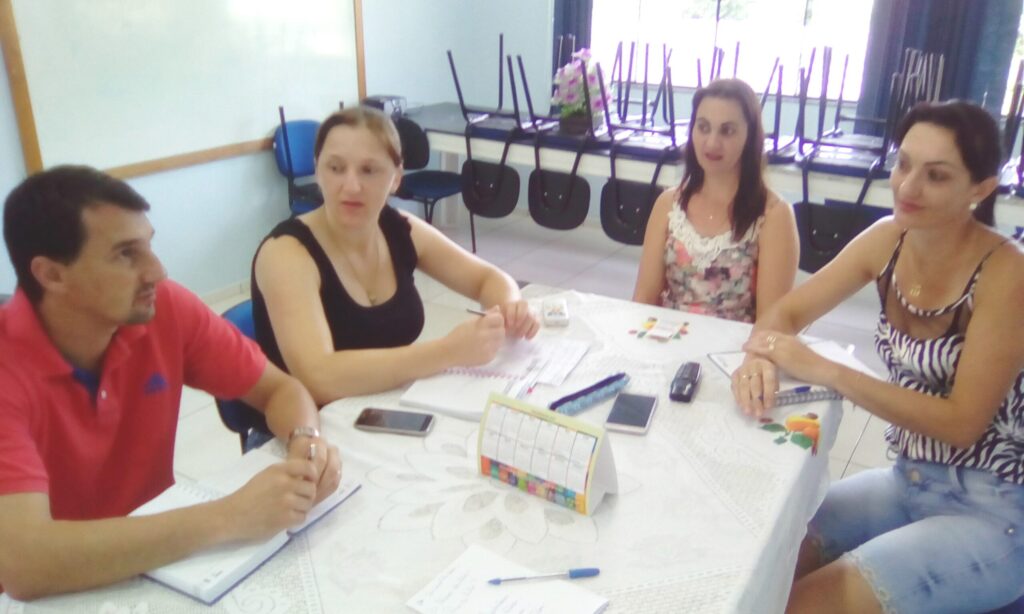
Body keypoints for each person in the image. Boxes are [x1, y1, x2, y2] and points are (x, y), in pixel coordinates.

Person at [732, 101, 1024, 613]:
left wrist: (828, 371)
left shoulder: (1007, 273)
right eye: (903, 164)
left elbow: (961, 424)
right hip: (908, 479)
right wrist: (762, 356)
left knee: (800, 605)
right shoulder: (889, 239)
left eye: (936, 175)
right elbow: (785, 313)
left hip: (995, 510)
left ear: (980, 189)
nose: (908, 186)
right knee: (755, 561)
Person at [0, 166, 343, 600]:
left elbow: (280, 390)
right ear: (51, 275)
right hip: (58, 591)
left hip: (163, 561)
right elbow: (26, 565)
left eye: (148, 245)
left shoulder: (165, 308)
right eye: (125, 255)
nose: (157, 271)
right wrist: (229, 517)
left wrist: (306, 442)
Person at [252, 106, 539, 403]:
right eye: (335, 168)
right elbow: (319, 377)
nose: (351, 186)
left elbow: (488, 278)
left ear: (396, 178)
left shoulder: (399, 229)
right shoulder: (286, 253)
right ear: (318, 171)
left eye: (369, 170)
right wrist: (448, 351)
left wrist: (510, 308)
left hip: (386, 402)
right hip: (311, 421)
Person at [633, 78, 799, 323]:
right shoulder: (668, 204)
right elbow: (644, 299)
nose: (712, 143)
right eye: (703, 127)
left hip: (737, 344)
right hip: (668, 338)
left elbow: (771, 324)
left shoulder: (774, 215)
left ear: (750, 137)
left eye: (727, 131)